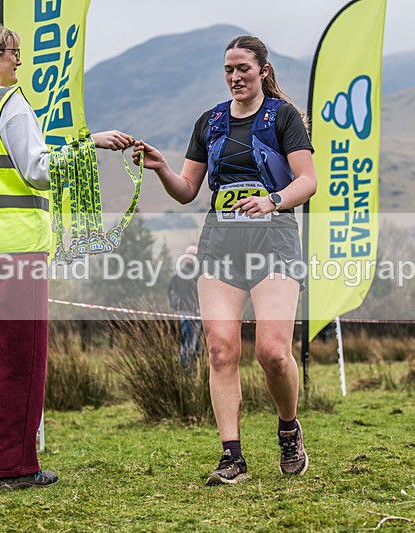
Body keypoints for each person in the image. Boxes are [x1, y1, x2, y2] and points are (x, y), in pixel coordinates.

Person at [0, 23, 132, 490]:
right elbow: (38, 170)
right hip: (12, 245)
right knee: (19, 356)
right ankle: (13, 468)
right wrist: (90, 145)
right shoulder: (8, 103)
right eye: (13, 53)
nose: (19, 61)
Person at [133, 35, 317, 485]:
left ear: (264, 72)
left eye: (244, 69)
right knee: (220, 351)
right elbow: (187, 192)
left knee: (273, 353)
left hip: (274, 238)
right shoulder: (210, 121)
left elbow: (307, 181)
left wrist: (272, 200)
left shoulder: (283, 117)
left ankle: (288, 429)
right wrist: (161, 169)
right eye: (228, 70)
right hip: (219, 244)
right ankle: (231, 457)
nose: (235, 77)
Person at [168, 245, 203, 371]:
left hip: (189, 312)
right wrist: (196, 308)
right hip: (191, 313)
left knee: (190, 341)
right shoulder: (188, 274)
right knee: (190, 342)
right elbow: (185, 294)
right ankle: (188, 371)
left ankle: (189, 369)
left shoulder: (186, 274)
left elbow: (171, 292)